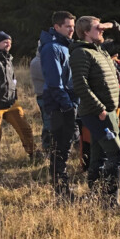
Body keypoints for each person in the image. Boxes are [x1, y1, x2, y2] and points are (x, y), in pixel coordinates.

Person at [70, 16, 120, 207]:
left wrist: (113, 25)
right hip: (97, 113)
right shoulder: (81, 53)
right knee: (117, 156)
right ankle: (110, 200)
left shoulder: (100, 50)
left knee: (99, 155)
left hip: (109, 111)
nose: (102, 30)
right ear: (86, 32)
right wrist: (99, 109)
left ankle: (94, 194)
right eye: (97, 28)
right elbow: (81, 85)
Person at [0, 31, 37, 167]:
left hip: (11, 103)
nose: (8, 44)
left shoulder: (8, 58)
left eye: (10, 42)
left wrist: (14, 95)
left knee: (25, 128)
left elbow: (12, 79)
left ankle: (33, 153)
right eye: (5, 42)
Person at [40, 10, 79, 201]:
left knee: (66, 147)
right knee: (59, 150)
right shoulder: (51, 48)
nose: (72, 30)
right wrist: (67, 106)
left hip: (69, 103)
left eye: (73, 26)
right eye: (68, 27)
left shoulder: (66, 46)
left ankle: (64, 190)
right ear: (57, 27)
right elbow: (55, 82)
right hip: (60, 107)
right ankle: (62, 193)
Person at [29, 41, 52, 154]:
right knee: (48, 123)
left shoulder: (47, 60)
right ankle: (47, 147)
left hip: (52, 95)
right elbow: (51, 78)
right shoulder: (37, 62)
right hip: (44, 96)